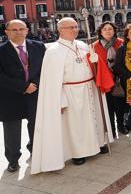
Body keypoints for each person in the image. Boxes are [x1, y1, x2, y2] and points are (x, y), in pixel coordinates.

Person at [31, 18, 113, 173]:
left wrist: (95, 61)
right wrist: (60, 100)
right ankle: (78, 153)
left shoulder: (82, 45)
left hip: (89, 87)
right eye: (70, 27)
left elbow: (92, 66)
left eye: (76, 27)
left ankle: (98, 144)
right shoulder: (53, 51)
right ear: (60, 29)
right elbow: (53, 82)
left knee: (93, 118)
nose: (75, 30)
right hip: (70, 92)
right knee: (76, 124)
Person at [0, 20, 45, 173]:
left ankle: (35, 150)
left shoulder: (38, 46)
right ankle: (13, 159)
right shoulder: (1, 50)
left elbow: (46, 69)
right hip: (10, 97)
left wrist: (35, 85)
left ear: (27, 30)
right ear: (7, 32)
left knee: (35, 125)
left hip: (34, 93)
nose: (18, 32)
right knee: (12, 130)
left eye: (21, 29)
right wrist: (23, 86)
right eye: (14, 30)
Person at [92, 21, 128, 138]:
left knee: (120, 104)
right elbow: (93, 65)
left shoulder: (121, 43)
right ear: (101, 32)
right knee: (108, 106)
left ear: (114, 31)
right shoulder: (95, 46)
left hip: (119, 79)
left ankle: (121, 126)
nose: (108, 31)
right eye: (105, 29)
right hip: (104, 80)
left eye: (110, 29)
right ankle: (111, 128)